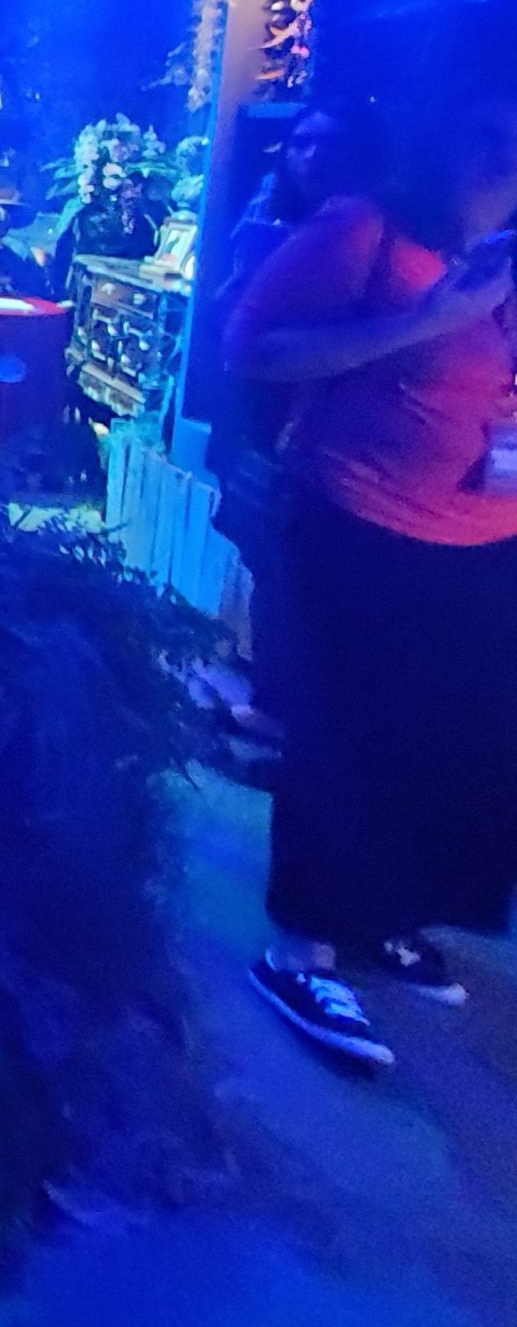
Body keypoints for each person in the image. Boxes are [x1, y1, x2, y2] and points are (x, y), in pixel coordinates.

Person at [224, 80, 517, 1068]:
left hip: (486, 538)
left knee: (450, 747)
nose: (505, 160)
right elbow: (251, 347)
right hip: (360, 521)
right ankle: (300, 946)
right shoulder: (366, 229)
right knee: (346, 736)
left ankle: (381, 916)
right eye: (489, 134)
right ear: (444, 138)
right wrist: (426, 320)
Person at [212, 104, 376, 737]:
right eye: (301, 142)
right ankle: (272, 697)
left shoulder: (364, 230)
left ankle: (285, 708)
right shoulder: (268, 214)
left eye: (329, 144)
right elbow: (231, 307)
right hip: (260, 409)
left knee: (298, 562)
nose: (312, 156)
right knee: (265, 551)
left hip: (325, 418)